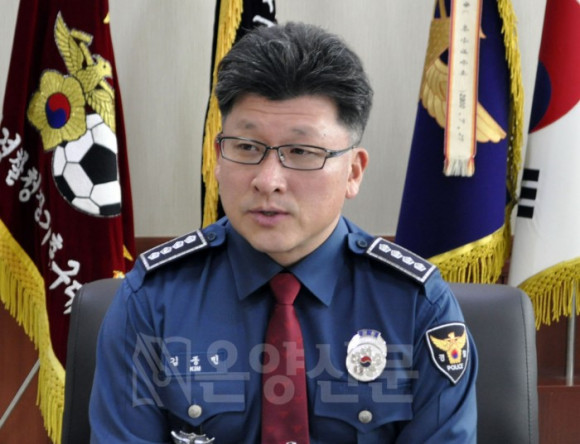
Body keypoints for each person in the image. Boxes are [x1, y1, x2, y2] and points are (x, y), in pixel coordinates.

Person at [89, 22, 477, 443]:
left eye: (301, 151)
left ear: (353, 172)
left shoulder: (415, 304)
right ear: (218, 158)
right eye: (247, 147)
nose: (268, 180)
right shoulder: (152, 299)